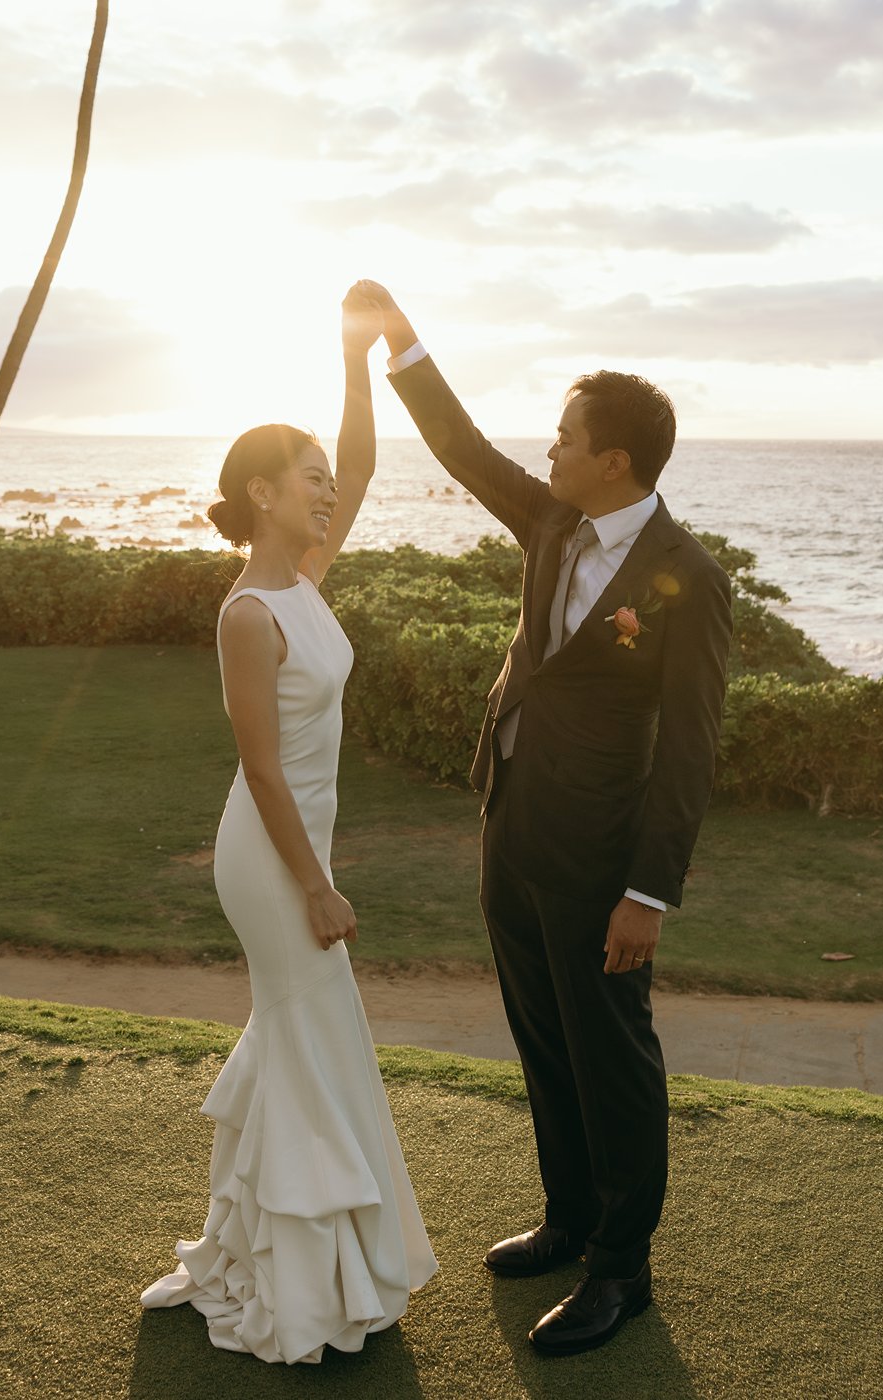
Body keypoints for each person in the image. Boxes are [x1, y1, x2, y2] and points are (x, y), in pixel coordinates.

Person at [358, 279, 733, 1358]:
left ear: (615, 458)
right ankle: (568, 1221)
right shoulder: (553, 520)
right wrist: (402, 341)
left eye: (565, 436)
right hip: (513, 826)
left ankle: (623, 1270)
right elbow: (464, 451)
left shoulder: (688, 579)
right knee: (541, 1040)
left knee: (611, 1057)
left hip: (604, 859)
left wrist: (648, 891)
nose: (550, 448)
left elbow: (692, 748)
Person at [140, 285, 437, 1365]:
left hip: (299, 849)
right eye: (304, 480)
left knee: (297, 1044)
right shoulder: (249, 612)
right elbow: (261, 771)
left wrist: (353, 358)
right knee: (313, 1040)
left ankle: (240, 1248)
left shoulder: (307, 578)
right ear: (261, 495)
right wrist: (315, 884)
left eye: (322, 481)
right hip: (269, 861)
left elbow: (357, 466)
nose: (327, 493)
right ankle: (300, 1284)